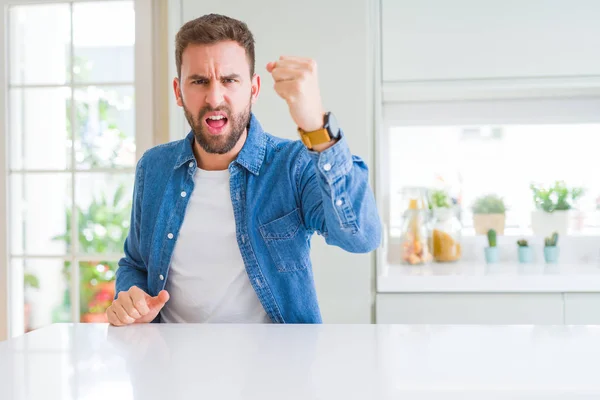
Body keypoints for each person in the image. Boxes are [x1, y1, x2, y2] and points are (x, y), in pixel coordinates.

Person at [106, 13, 381, 326]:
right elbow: (136, 264)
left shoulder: (292, 164)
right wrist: (131, 297)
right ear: (178, 91)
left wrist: (317, 126)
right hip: (171, 366)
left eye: (229, 80)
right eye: (199, 81)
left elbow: (362, 237)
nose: (214, 97)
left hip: (274, 367)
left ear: (254, 88)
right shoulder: (154, 168)